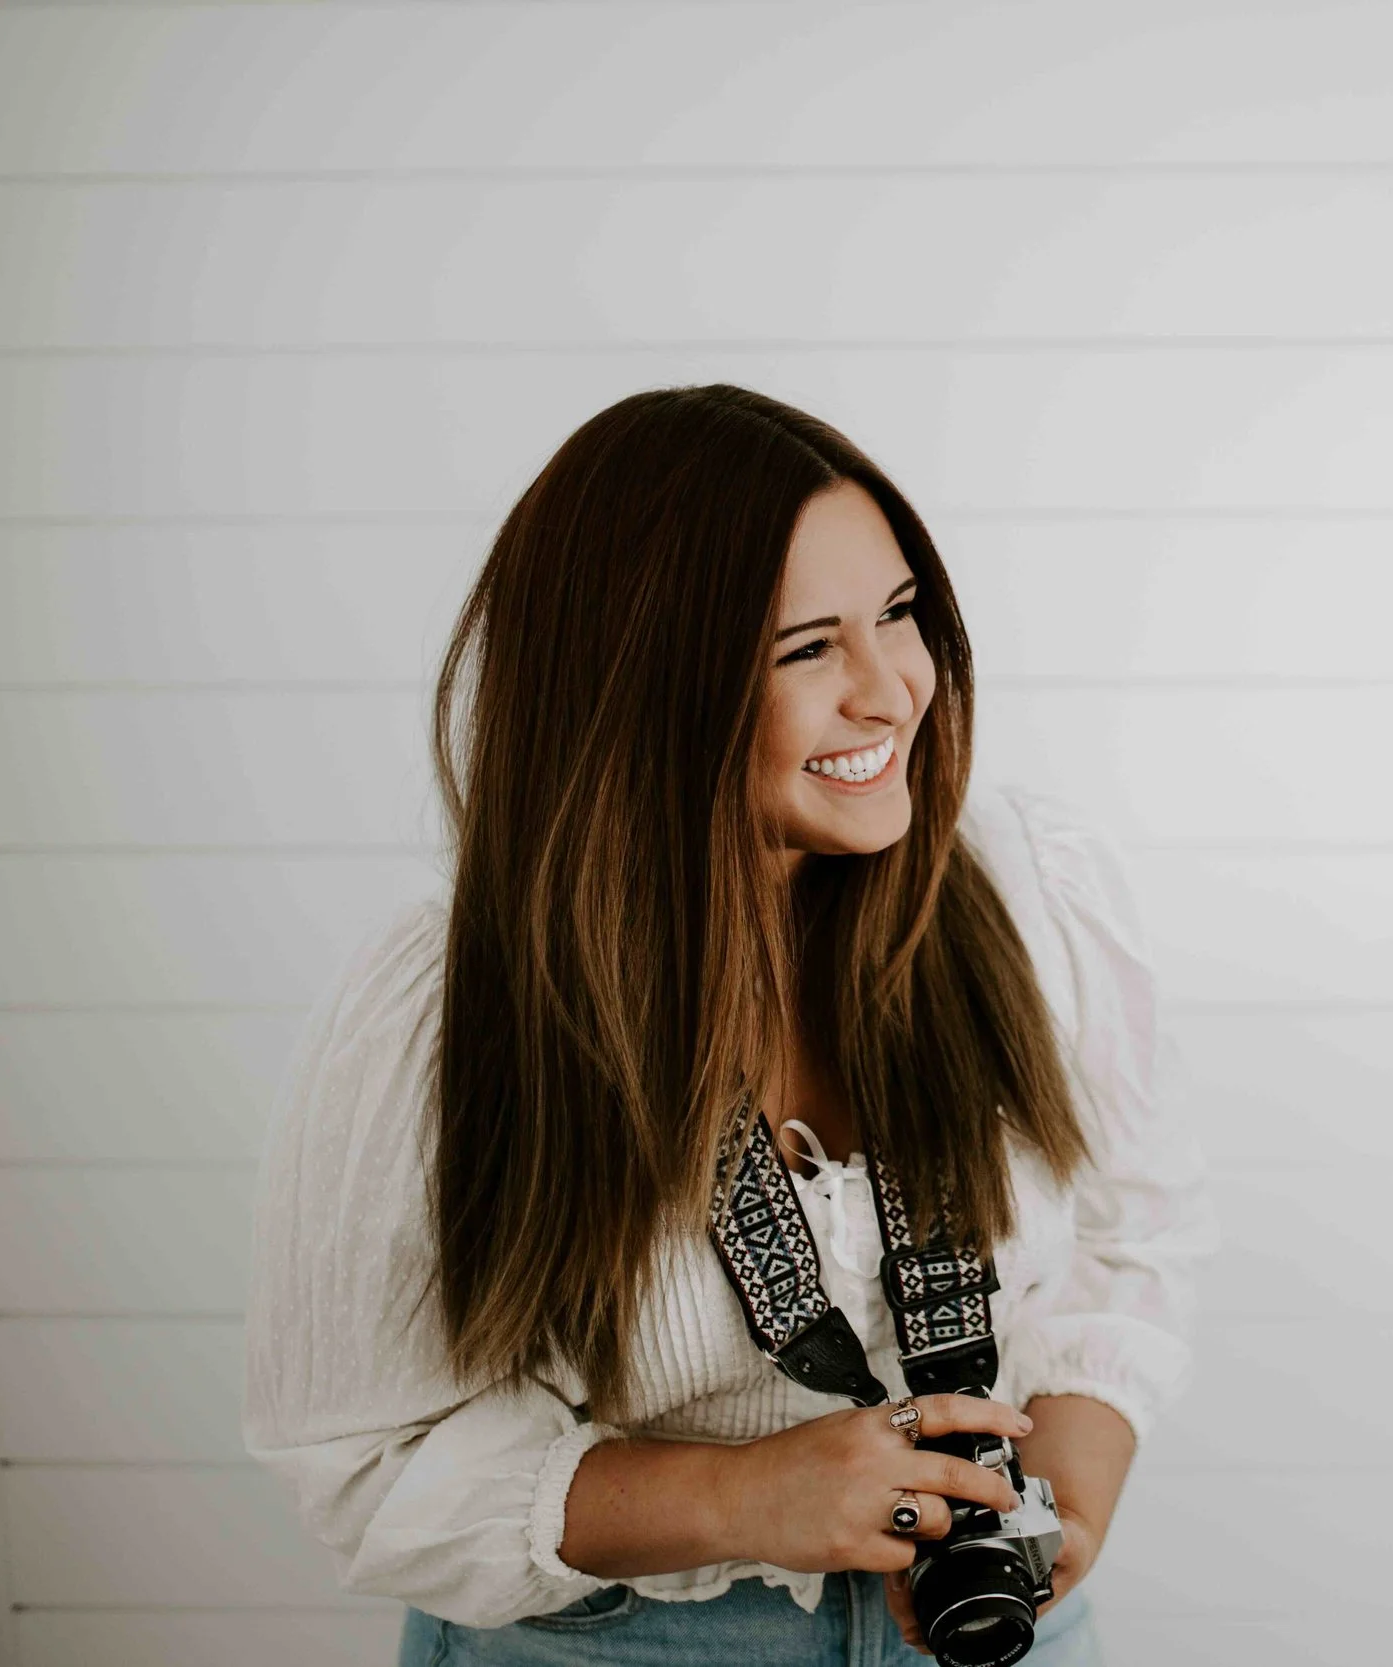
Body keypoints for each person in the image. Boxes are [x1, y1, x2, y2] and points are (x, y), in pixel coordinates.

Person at [243, 384, 1216, 1665]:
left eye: (898, 614)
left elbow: (1131, 1223)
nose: (891, 692)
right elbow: (362, 1469)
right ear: (643, 689)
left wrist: (1064, 1505)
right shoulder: (452, 1001)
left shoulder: (1031, 884)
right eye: (807, 649)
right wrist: (741, 1495)